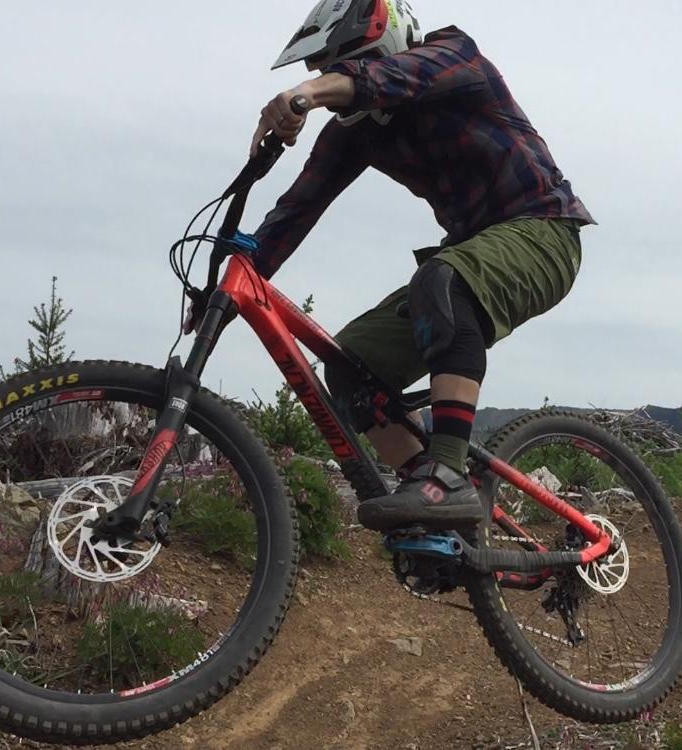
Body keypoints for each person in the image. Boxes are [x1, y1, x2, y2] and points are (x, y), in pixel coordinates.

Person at [250, 0, 593, 533]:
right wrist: (223, 284)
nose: (324, 77)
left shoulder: (454, 54)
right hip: (474, 251)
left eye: (333, 64)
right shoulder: (355, 132)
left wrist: (307, 95)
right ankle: (432, 507)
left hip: (546, 233)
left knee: (443, 279)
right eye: (317, 70)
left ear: (378, 44)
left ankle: (447, 478)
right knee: (346, 365)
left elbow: (385, 79)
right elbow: (295, 212)